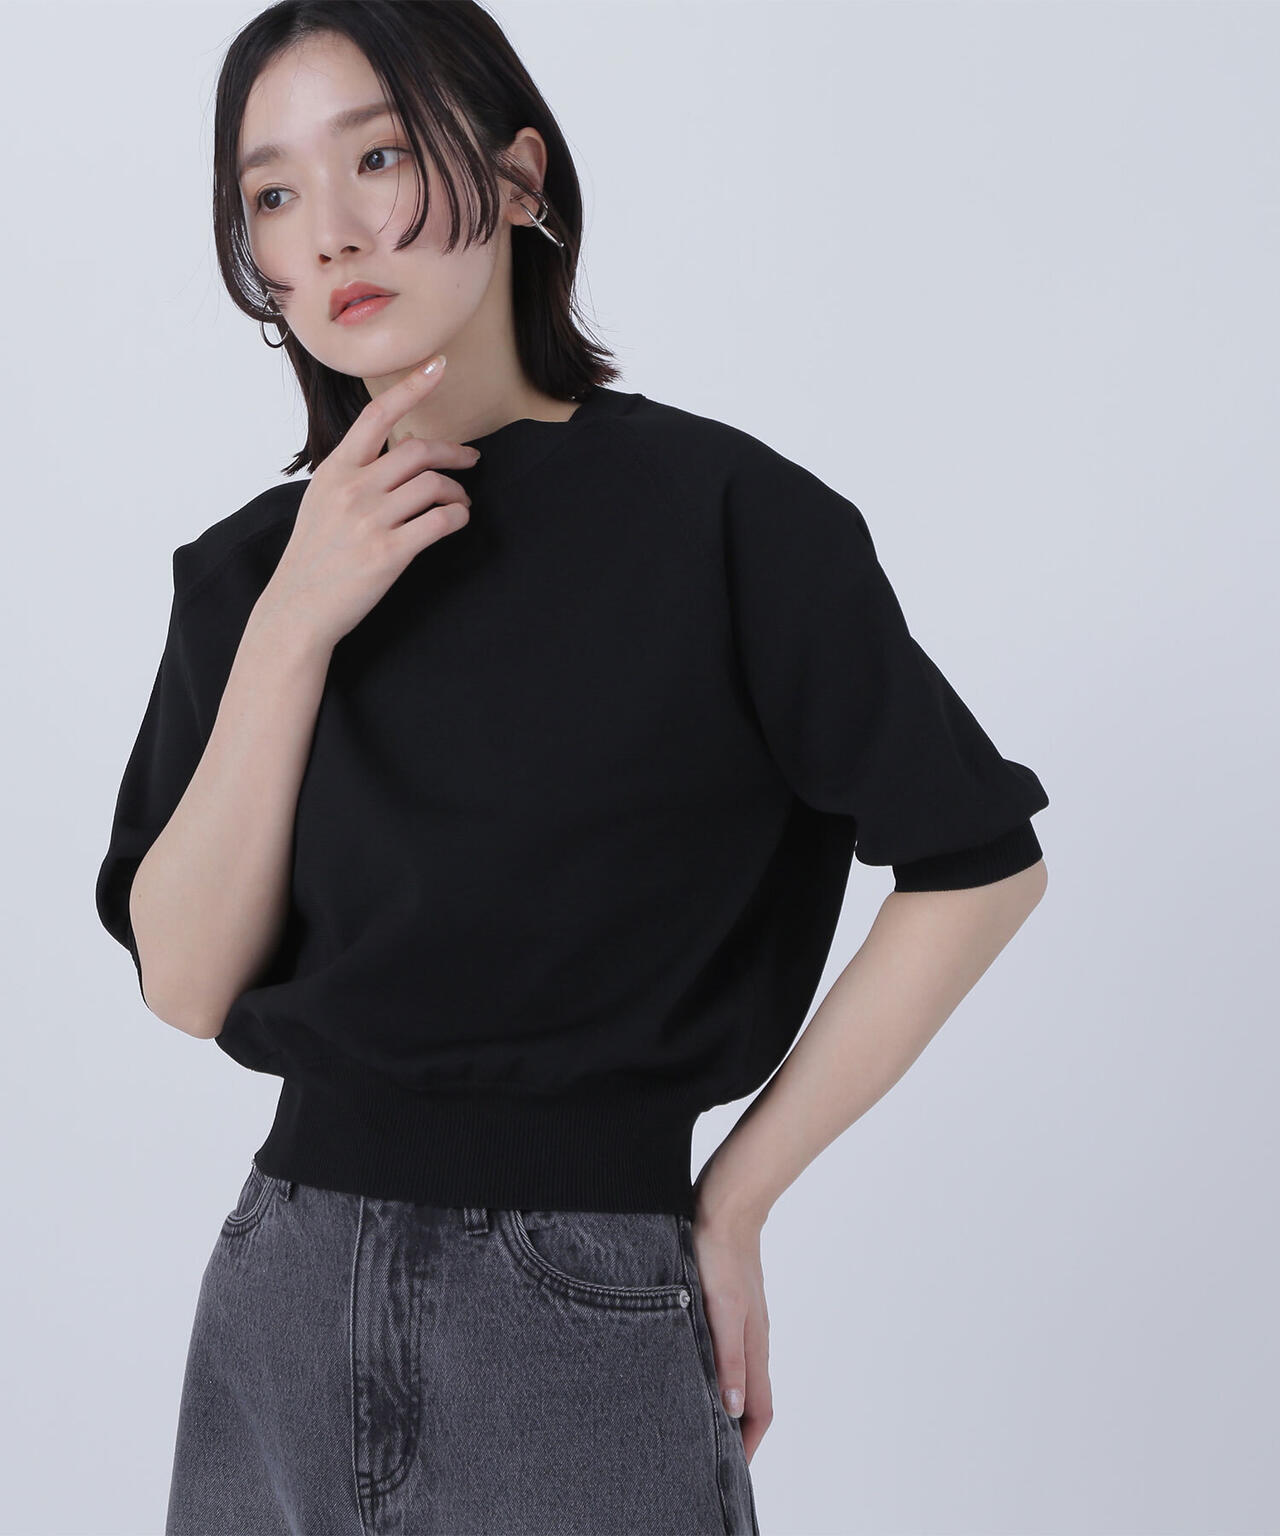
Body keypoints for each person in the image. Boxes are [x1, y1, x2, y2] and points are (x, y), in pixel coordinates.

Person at [94, 3, 1050, 1532]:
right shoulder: (249, 580)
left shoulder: (728, 522)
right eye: (271, 193)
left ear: (521, 177)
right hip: (279, 1289)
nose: (328, 230)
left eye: (378, 157)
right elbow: (186, 983)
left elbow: (979, 865)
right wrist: (293, 626)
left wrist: (733, 1199)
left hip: (577, 1299)